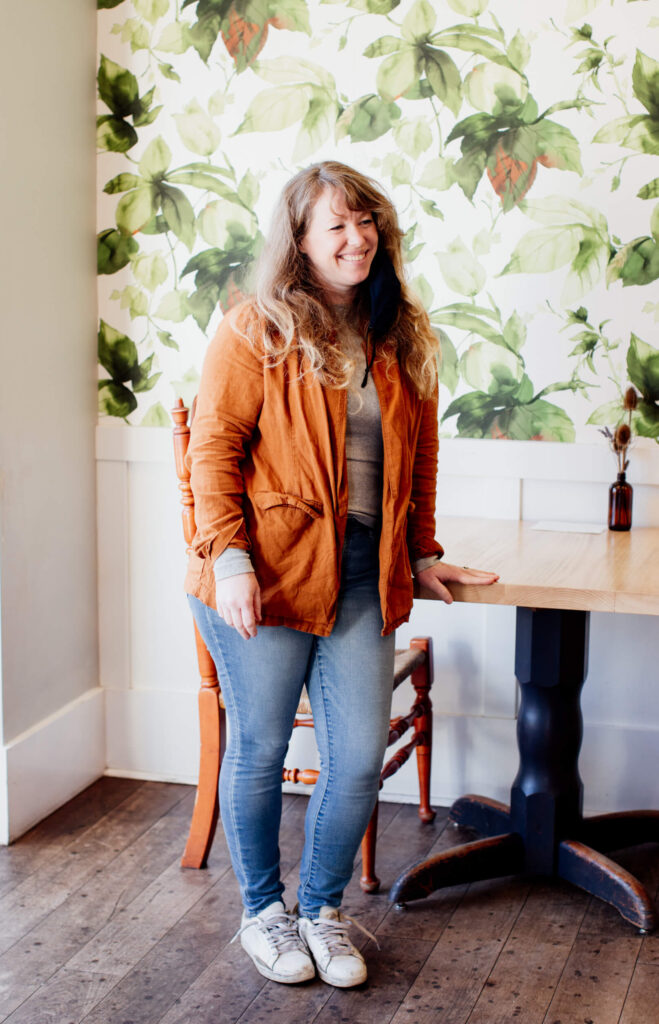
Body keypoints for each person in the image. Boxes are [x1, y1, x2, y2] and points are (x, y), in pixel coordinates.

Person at [185, 160, 499, 988]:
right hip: (266, 570)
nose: (356, 238)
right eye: (336, 225)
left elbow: (419, 457)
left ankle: (320, 911)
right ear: (299, 239)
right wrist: (229, 560)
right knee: (256, 749)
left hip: (364, 572)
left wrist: (421, 551)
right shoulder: (255, 326)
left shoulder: (400, 330)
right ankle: (263, 914)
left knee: (356, 757)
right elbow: (211, 452)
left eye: (366, 222)